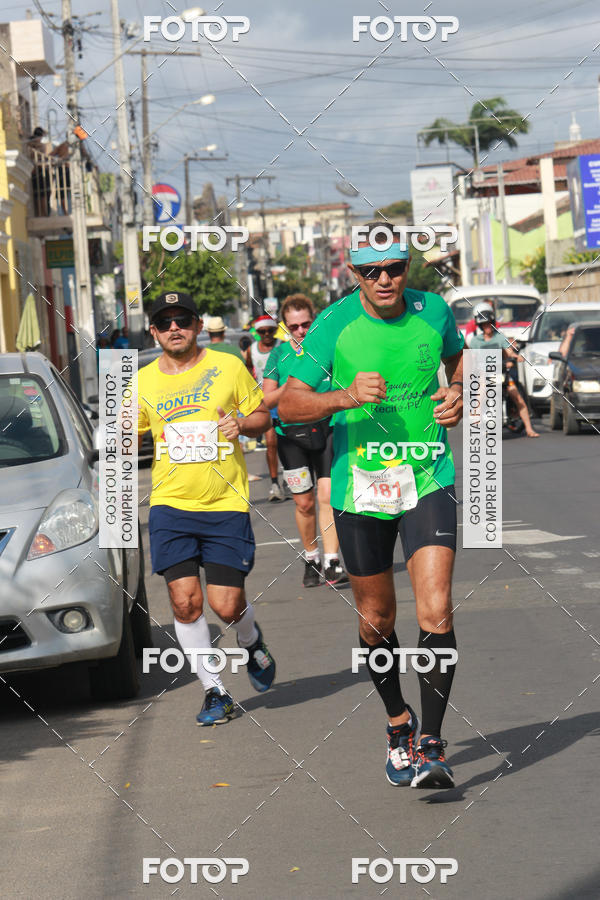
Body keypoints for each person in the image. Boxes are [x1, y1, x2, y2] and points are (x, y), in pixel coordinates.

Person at [279, 223, 464, 789]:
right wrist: (344, 396)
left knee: (435, 609)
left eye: (395, 268)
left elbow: (460, 365)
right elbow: (289, 403)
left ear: (408, 267)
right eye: (370, 272)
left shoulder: (435, 311)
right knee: (377, 618)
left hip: (427, 475)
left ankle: (431, 741)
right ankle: (398, 722)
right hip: (362, 486)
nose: (385, 280)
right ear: (353, 273)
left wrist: (457, 394)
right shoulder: (333, 325)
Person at [137, 291, 276, 726]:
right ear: (154, 332)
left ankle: (251, 639)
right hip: (169, 505)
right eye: (165, 321)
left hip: (224, 503)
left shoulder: (228, 366)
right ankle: (215, 691)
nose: (174, 327)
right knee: (184, 602)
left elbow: (261, 418)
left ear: (197, 326)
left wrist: (241, 423)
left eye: (182, 319)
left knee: (226, 605)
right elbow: (125, 435)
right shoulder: (140, 382)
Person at [263, 294, 349, 588]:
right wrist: (296, 383)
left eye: (305, 324)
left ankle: (332, 561)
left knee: (327, 494)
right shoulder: (278, 356)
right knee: (304, 503)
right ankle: (311, 556)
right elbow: (267, 399)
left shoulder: (328, 347)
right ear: (285, 328)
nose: (300, 331)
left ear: (315, 321)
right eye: (293, 326)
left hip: (326, 429)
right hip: (290, 436)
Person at [470, 303, 539, 438]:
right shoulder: (475, 342)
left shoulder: (500, 337)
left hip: (501, 374)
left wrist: (515, 357)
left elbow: (509, 350)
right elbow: (473, 358)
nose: (487, 327)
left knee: (517, 397)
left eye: (489, 324)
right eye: (484, 325)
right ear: (480, 326)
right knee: (479, 396)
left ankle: (529, 428)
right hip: (484, 375)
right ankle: (478, 428)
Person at [243, 314, 285, 501]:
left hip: (284, 400)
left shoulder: (282, 347)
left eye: (270, 330)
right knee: (271, 443)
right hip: (265, 402)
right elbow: (248, 370)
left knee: (289, 441)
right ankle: (275, 483)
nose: (267, 335)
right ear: (257, 332)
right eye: (262, 332)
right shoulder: (252, 350)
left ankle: (292, 476)